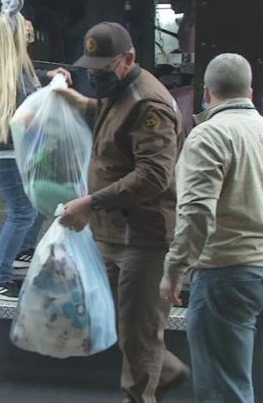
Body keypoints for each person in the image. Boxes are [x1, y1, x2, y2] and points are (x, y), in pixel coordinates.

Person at [57, 22, 188, 402]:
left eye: (103, 68)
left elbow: (154, 175)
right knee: (125, 326)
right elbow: (109, 112)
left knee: (140, 336)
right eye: (91, 70)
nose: (96, 76)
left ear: (128, 59)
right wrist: (76, 100)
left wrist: (91, 203)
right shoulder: (120, 90)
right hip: (113, 234)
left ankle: (142, 393)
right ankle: (167, 371)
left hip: (143, 239)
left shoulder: (150, 105)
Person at [160, 53, 263, 403]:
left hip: (227, 275)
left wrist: (175, 268)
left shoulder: (208, 136)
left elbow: (196, 213)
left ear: (206, 93)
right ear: (250, 91)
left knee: (226, 389)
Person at [0, 0, 71, 301]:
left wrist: (48, 76)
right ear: (15, 38)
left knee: (39, 201)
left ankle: (23, 251)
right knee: (23, 211)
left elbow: (31, 83)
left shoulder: (3, 67)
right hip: (4, 154)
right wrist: (56, 89)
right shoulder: (13, 79)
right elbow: (33, 111)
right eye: (24, 30)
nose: (30, 31)